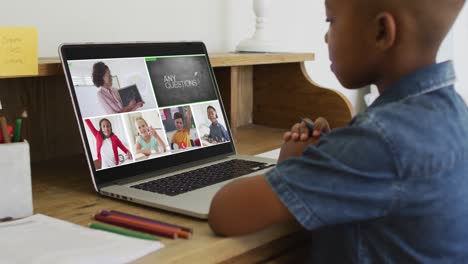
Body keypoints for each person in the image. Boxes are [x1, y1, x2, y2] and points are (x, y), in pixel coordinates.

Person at [208, 0, 468, 262]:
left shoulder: (379, 140)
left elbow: (225, 213)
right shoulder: (455, 113)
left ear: (381, 32)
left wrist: (296, 165)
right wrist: (332, 154)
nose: (325, 36)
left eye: (330, 21)